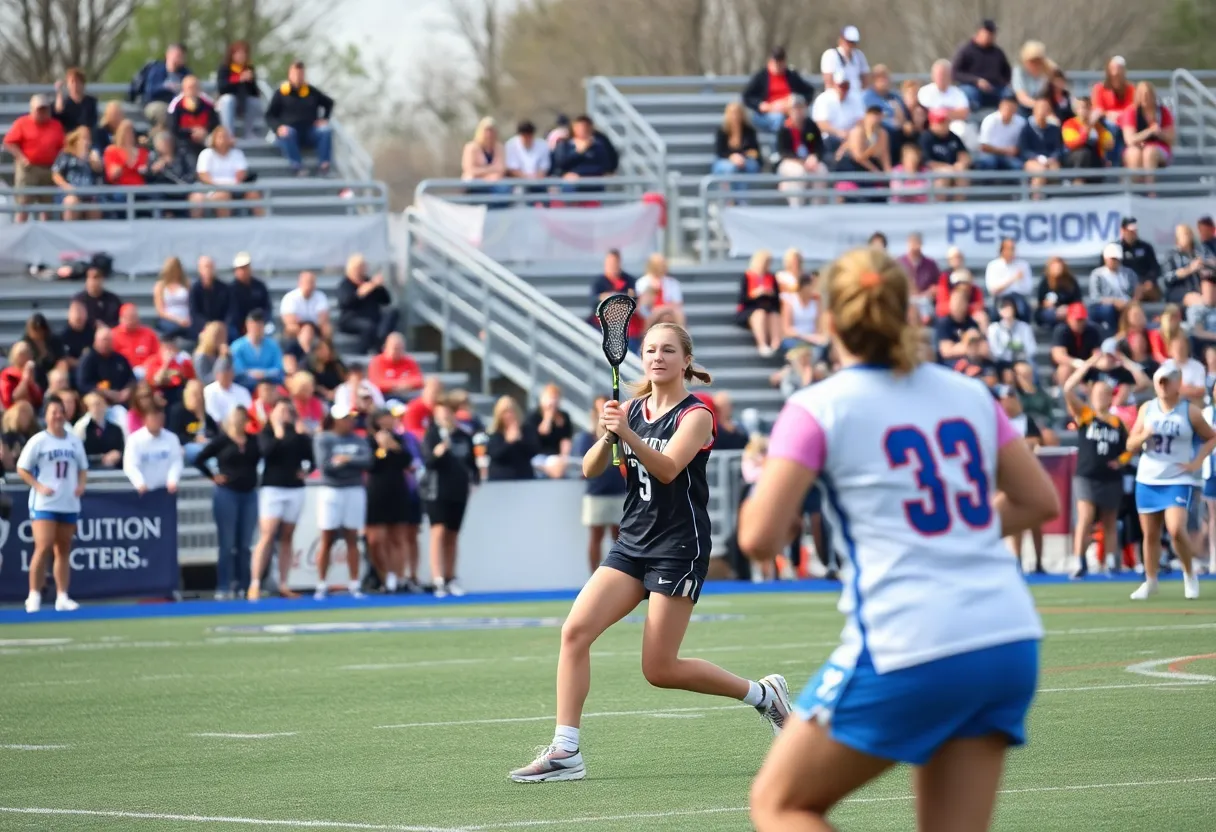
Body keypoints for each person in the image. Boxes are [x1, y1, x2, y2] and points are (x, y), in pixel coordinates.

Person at [737, 247, 1060, 831]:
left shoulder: (817, 407)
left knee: (780, 804)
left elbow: (758, 538)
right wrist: (953, 532)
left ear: (829, 322)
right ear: (908, 312)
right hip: (1006, 638)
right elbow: (1039, 500)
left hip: (909, 641)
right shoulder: (968, 393)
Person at [509, 322, 792, 784]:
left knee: (659, 668)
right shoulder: (633, 408)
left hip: (678, 546)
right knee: (575, 632)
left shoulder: (696, 414)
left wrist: (630, 434)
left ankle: (763, 696)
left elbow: (666, 469)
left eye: (668, 350)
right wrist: (608, 433)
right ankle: (565, 751)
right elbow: (588, 468)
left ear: (686, 361)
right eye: (651, 350)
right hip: (632, 541)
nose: (657, 357)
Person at [1126, 365, 1216, 600]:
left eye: (1167, 381)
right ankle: (1151, 580)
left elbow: (1211, 437)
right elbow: (1130, 444)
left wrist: (1197, 462)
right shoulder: (1147, 409)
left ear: (1177, 383)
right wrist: (1143, 436)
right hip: (1147, 477)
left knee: (1176, 529)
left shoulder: (1190, 411)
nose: (1163, 386)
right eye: (1160, 382)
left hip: (1178, 477)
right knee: (1150, 534)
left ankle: (1189, 574)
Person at [17, 396, 89, 614]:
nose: (57, 415)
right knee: (43, 545)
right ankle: (34, 594)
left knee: (64, 548)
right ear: (46, 415)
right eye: (53, 412)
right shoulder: (39, 440)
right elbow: (23, 468)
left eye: (60, 411)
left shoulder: (74, 441)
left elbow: (82, 467)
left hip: (68, 501)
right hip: (45, 502)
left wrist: (81, 485)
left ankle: (62, 595)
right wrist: (38, 486)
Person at [1063, 357, 1129, 579]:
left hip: (1110, 477)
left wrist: (1120, 461)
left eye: (1105, 394)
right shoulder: (1086, 416)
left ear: (1111, 397)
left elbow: (1129, 448)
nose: (1101, 397)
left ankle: (1110, 562)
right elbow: (1067, 389)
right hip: (1087, 475)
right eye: (1097, 394)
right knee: (1086, 517)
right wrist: (1087, 366)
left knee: (1110, 520)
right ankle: (1078, 561)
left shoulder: (1117, 423)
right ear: (1091, 396)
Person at [249, 400, 313, 601]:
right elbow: (267, 452)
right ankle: (255, 582)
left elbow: (311, 457)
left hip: (294, 488)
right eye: (282, 410)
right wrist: (277, 431)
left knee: (287, 536)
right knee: (267, 534)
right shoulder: (267, 433)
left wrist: (307, 470)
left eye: (288, 411)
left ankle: (284, 583)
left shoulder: (297, 434)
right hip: (273, 488)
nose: (286, 414)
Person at [195, 407, 261, 599]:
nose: (239, 421)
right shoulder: (222, 441)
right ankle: (224, 585)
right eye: (236, 418)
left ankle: (244, 585)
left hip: (249, 493)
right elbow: (199, 459)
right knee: (227, 543)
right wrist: (213, 476)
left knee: (245, 544)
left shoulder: (253, 441)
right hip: (227, 493)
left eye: (242, 417)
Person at [313, 403, 373, 599]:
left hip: (354, 489)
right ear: (336, 420)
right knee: (327, 537)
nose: (351, 421)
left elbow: (368, 461)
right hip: (331, 490)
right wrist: (350, 462)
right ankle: (321, 583)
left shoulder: (358, 439)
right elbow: (326, 466)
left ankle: (354, 583)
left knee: (352, 537)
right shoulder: (324, 438)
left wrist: (346, 460)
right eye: (346, 418)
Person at [421, 398, 479, 598]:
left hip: (458, 490)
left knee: (453, 536)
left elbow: (471, 462)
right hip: (436, 491)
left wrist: (475, 479)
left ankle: (450, 576)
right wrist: (438, 452)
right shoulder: (432, 434)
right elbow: (428, 462)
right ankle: (437, 579)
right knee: (438, 532)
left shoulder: (463, 436)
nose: (444, 416)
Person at [365, 409, 419, 593]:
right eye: (384, 418)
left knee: (398, 536)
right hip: (377, 490)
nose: (389, 421)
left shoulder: (401, 439)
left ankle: (397, 577)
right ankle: (384, 575)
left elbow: (407, 460)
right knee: (376, 538)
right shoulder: (369, 441)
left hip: (398, 489)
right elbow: (371, 464)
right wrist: (382, 448)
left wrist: (393, 446)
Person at [572, 397, 627, 573]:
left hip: (618, 490)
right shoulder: (586, 437)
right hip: (596, 492)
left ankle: (618, 574)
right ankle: (593, 575)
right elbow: (586, 464)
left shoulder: (621, 435)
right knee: (596, 537)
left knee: (619, 537)